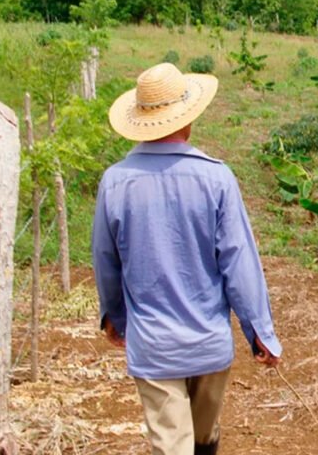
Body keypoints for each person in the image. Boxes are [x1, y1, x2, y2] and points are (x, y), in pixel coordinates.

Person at [92, 62, 282, 455]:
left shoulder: (115, 181)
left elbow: (106, 261)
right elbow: (238, 263)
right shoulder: (216, 179)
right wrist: (259, 331)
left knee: (175, 445)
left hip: (153, 345)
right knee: (203, 437)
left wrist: (115, 316)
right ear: (189, 118)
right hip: (209, 343)